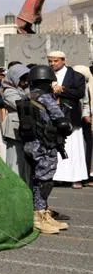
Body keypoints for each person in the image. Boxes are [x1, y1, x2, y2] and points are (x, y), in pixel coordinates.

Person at [18, 65, 72, 234]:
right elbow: (62, 122)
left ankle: (43, 214)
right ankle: (38, 216)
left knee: (37, 179)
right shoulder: (46, 98)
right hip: (45, 145)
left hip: (31, 144)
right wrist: (67, 127)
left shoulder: (27, 96)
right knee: (44, 181)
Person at [46, 51, 89, 188]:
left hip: (70, 116)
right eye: (50, 61)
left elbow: (79, 93)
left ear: (63, 60)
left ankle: (76, 177)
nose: (52, 64)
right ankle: (57, 177)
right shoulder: (46, 75)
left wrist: (62, 90)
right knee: (55, 147)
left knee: (73, 147)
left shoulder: (76, 76)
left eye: (55, 61)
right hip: (52, 117)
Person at [0, 65, 31, 183]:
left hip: (27, 128)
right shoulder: (9, 91)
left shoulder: (24, 88)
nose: (25, 81)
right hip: (14, 128)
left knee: (26, 164)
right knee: (14, 162)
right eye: (22, 78)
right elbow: (20, 104)